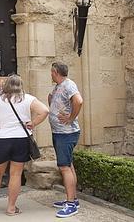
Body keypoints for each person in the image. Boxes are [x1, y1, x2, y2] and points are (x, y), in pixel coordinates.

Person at [0, 74, 49, 216]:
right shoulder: (28, 99)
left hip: (1, 139)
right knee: (16, 174)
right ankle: (11, 208)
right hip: (21, 139)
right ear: (21, 85)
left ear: (6, 85)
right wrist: (33, 123)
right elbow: (44, 111)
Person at [48, 62, 83, 218]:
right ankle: (73, 199)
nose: (50, 74)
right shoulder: (59, 86)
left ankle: (70, 205)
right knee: (68, 165)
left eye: (51, 72)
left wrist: (71, 117)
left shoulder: (69, 85)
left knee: (64, 167)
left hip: (66, 133)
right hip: (60, 132)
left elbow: (79, 101)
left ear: (56, 72)